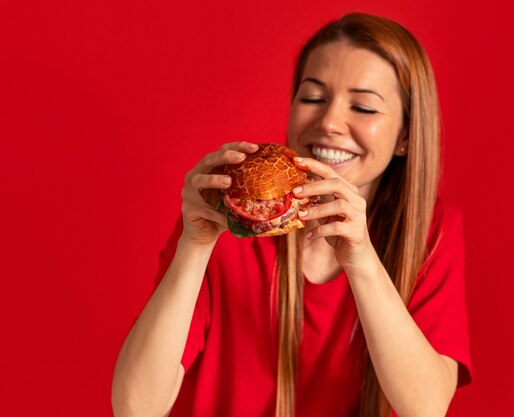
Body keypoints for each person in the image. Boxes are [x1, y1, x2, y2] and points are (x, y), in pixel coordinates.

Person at [112, 12, 472, 417]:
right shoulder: (223, 217)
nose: (330, 122)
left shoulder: (431, 231)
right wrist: (193, 247)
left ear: (406, 136)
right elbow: (134, 406)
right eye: (313, 98)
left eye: (364, 108)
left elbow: (425, 408)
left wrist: (362, 262)